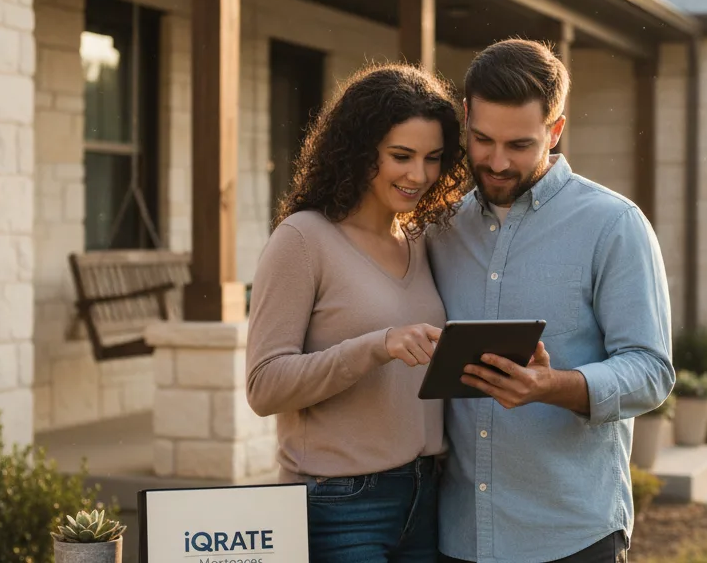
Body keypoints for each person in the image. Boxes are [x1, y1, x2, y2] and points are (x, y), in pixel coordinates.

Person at [426, 38, 675, 563]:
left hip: (571, 536)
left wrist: (555, 386)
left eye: (519, 145)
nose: (495, 162)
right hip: (458, 537)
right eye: (482, 140)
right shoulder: (441, 227)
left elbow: (652, 371)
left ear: (556, 130)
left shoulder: (614, 225)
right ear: (466, 118)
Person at [245, 62, 471, 563]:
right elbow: (264, 387)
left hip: (427, 495)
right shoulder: (303, 239)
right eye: (401, 156)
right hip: (340, 504)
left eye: (433, 158)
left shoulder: (420, 239)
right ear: (359, 149)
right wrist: (375, 346)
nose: (419, 175)